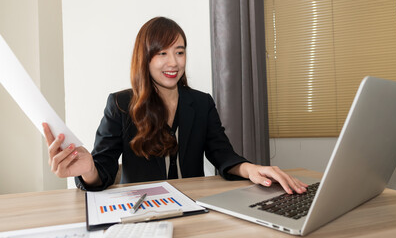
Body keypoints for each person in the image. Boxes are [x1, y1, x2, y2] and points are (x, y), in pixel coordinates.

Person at [42, 17, 307, 194]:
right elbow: (103, 169)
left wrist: (253, 169)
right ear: (144, 58)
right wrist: (88, 169)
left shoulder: (201, 102)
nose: (174, 63)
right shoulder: (121, 104)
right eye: (162, 53)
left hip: (194, 205)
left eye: (179, 52)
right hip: (142, 210)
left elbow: (222, 155)